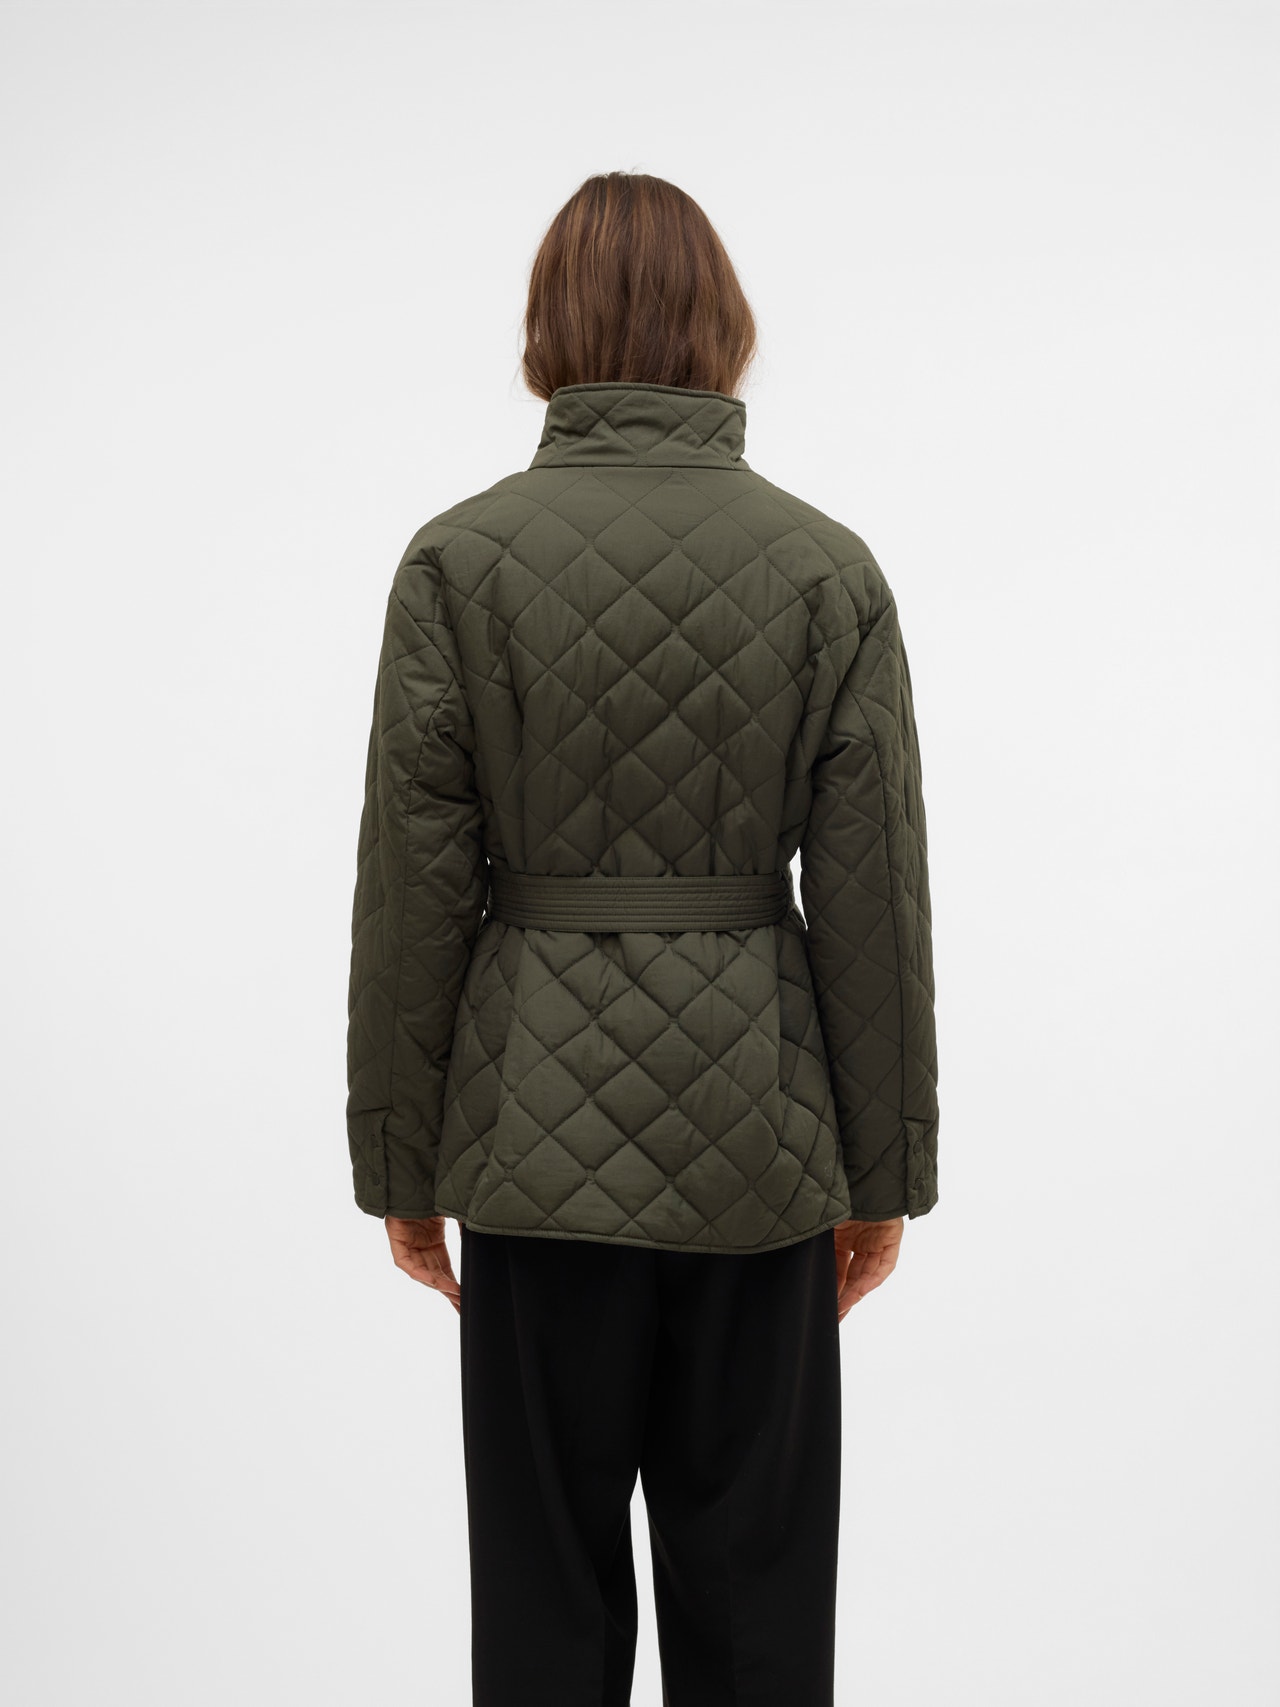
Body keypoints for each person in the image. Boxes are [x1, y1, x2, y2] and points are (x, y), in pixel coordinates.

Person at [345, 170, 939, 1707]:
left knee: (543, 1622)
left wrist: (403, 1164)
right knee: (759, 1627)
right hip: (763, 1147)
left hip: (529, 1149)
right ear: (722, 328)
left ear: (547, 330)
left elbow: (414, 889)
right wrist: (882, 1176)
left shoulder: (457, 564)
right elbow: (872, 900)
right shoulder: (828, 572)